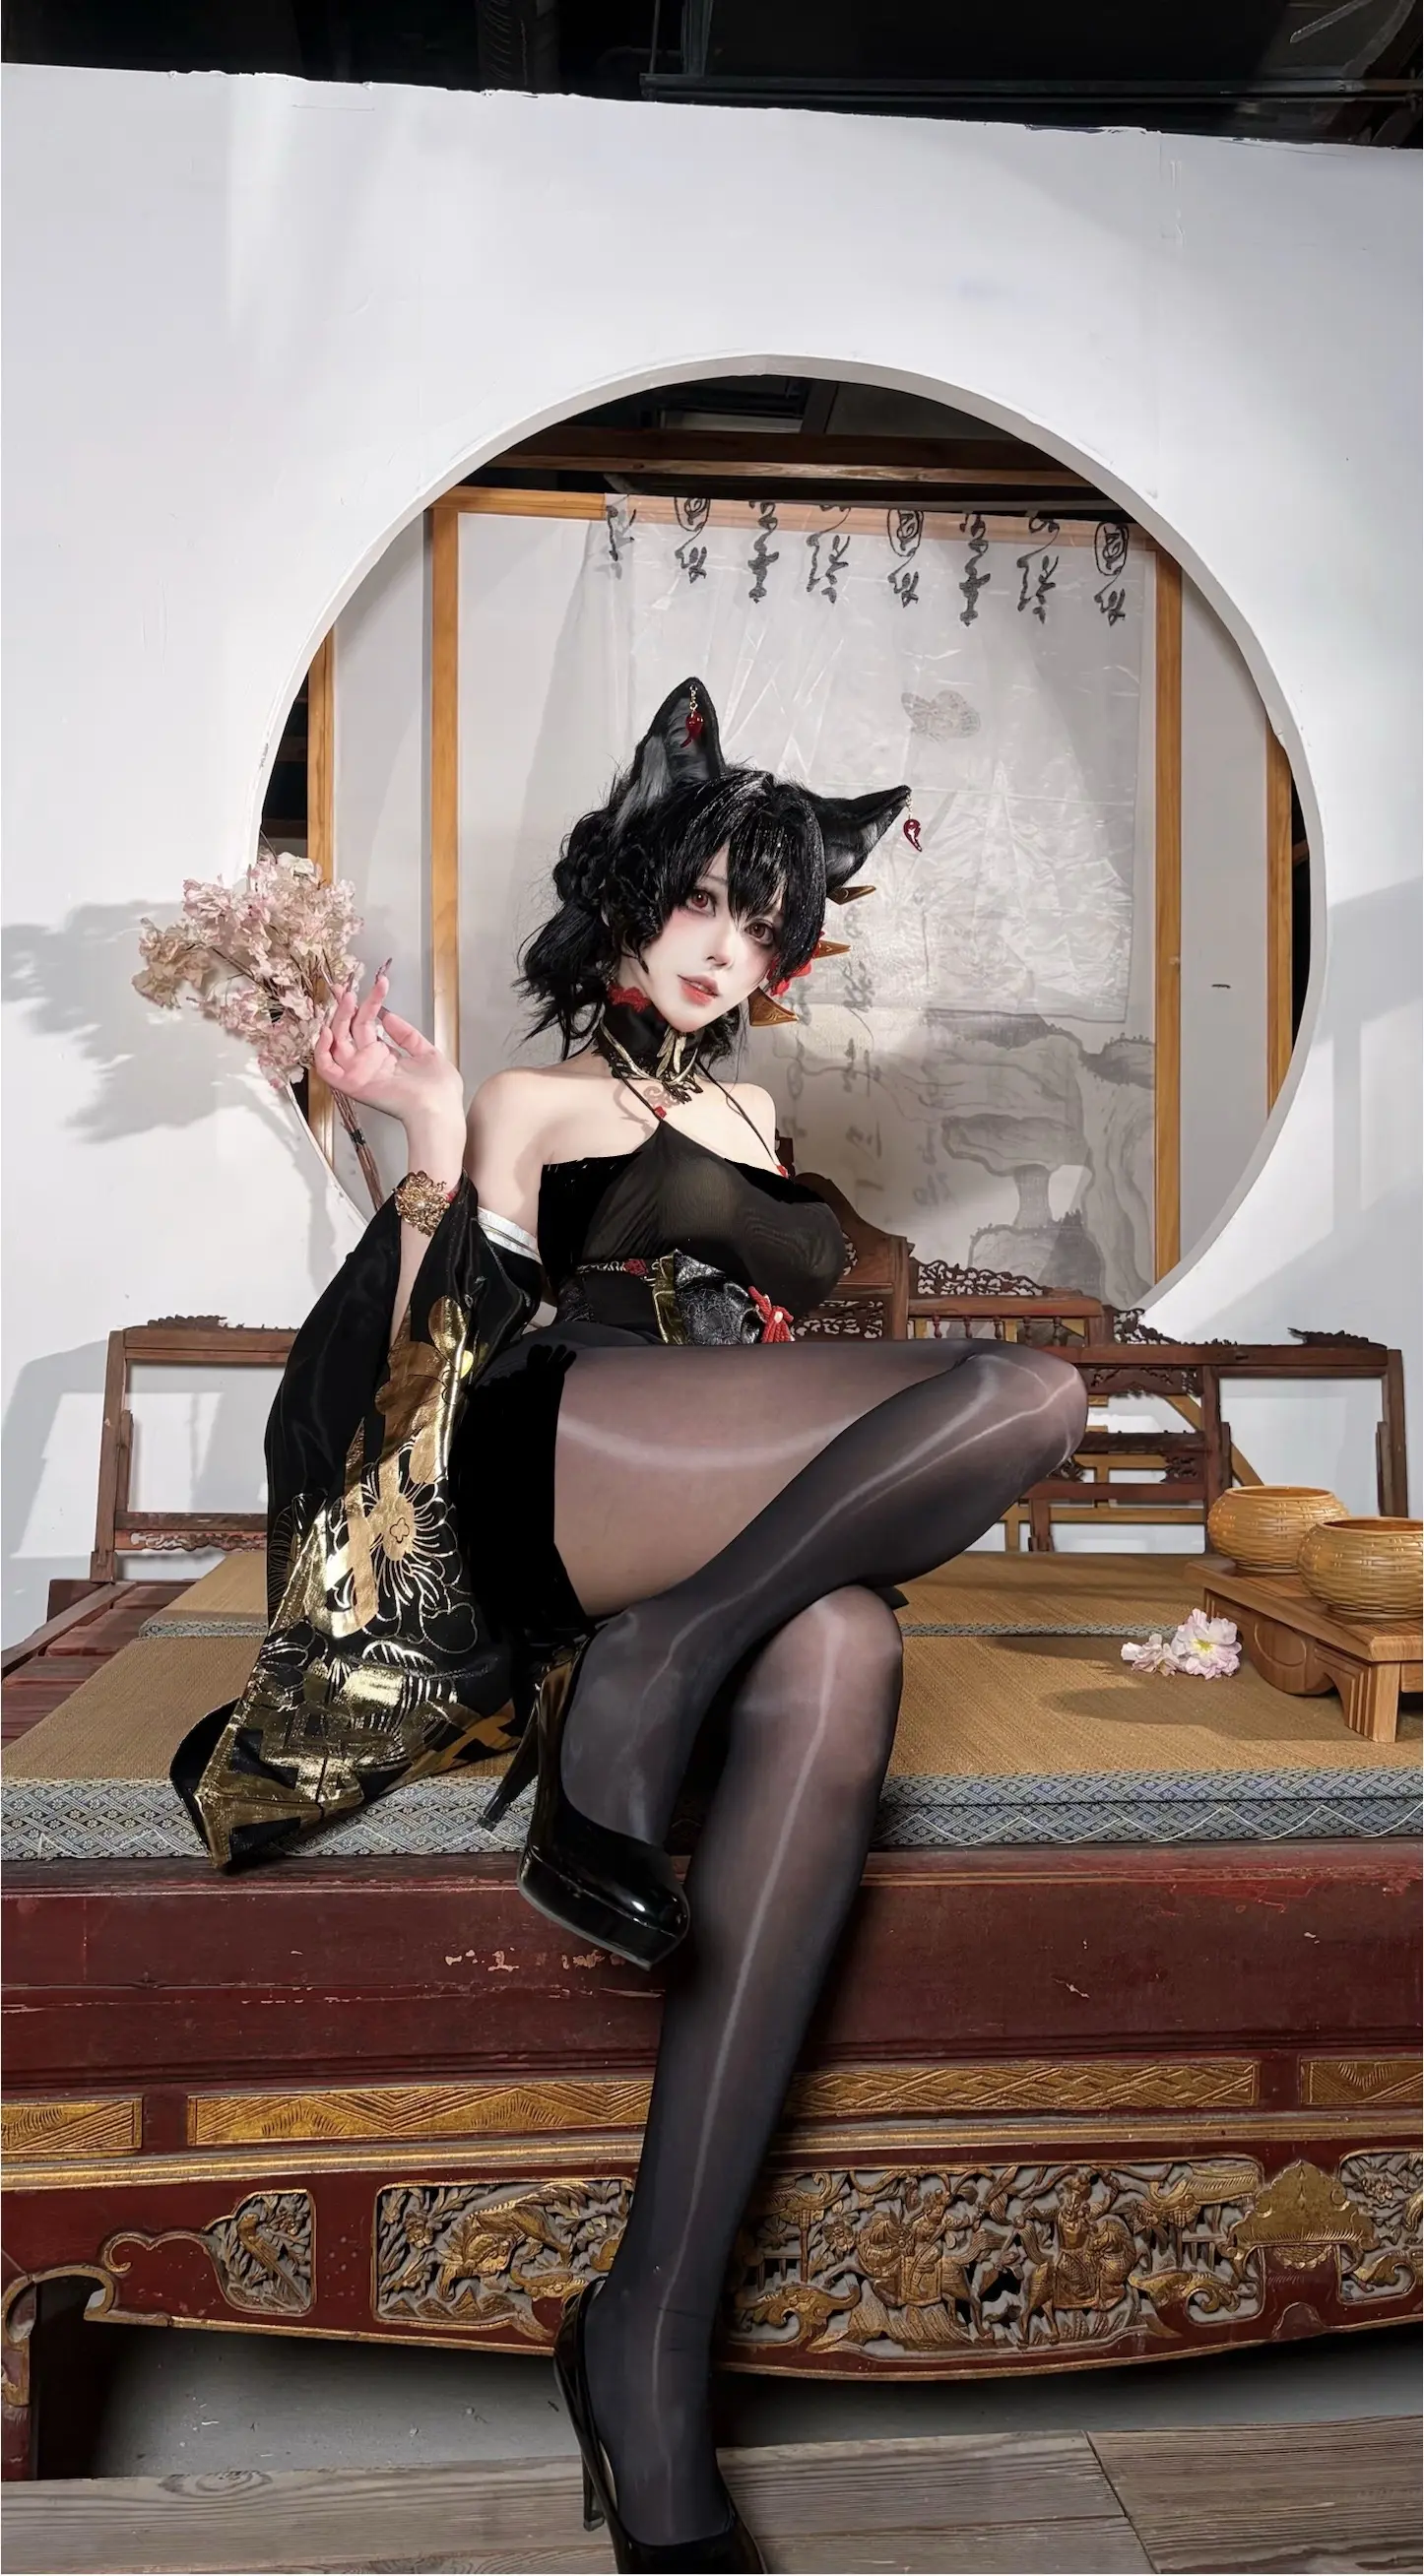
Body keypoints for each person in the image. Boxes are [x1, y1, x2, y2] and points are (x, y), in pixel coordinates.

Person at [172, 678, 1087, 2573]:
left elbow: (771, 1340)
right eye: (699, 900)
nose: (721, 946)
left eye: (762, 922)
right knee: (1025, 1392)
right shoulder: (529, 1098)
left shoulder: (748, 1107)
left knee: (844, 1646)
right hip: (547, 1459)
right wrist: (430, 1137)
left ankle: (645, 2343)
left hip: (700, 1512)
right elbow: (424, 1370)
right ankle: (649, 1667)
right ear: (627, 890)